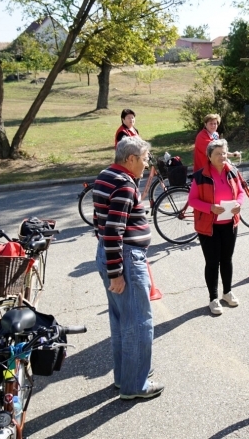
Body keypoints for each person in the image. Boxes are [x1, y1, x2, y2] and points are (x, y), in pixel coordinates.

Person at [92, 136, 163, 400]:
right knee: (139, 322)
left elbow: (99, 221)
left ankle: (126, 377)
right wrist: (116, 272)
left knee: (122, 320)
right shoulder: (123, 185)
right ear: (130, 159)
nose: (146, 166)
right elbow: (113, 231)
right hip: (125, 259)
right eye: (144, 160)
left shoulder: (105, 175)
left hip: (110, 254)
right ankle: (136, 385)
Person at [188, 138, 245, 315]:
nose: (222, 157)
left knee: (227, 260)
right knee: (212, 263)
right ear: (209, 156)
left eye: (223, 153)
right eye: (217, 154)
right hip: (208, 226)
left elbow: (242, 191)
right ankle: (213, 298)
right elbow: (192, 200)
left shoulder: (233, 171)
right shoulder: (200, 176)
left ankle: (227, 292)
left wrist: (239, 205)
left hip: (230, 223)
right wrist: (210, 208)